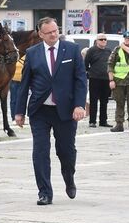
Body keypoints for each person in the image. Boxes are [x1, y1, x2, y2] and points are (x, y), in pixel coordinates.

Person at [14, 17, 87, 205]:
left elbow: (80, 79)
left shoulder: (71, 50)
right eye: (49, 32)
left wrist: (80, 105)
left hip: (66, 111)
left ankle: (69, 177)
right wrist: (19, 111)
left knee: (66, 152)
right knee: (40, 151)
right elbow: (24, 84)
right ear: (40, 34)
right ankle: (44, 192)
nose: (54, 34)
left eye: (55, 30)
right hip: (40, 111)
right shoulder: (32, 53)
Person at [107, 31, 129, 133]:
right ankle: (119, 124)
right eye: (126, 39)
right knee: (119, 103)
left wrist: (123, 46)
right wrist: (111, 80)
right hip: (119, 80)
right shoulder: (117, 50)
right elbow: (110, 64)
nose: (127, 40)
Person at [83, 33, 112, 128]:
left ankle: (103, 121)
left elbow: (111, 64)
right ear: (97, 41)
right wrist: (89, 73)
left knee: (104, 101)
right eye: (101, 39)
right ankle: (92, 121)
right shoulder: (91, 50)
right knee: (93, 100)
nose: (103, 41)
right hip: (94, 78)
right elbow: (86, 64)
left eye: (105, 39)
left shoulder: (108, 51)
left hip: (106, 78)